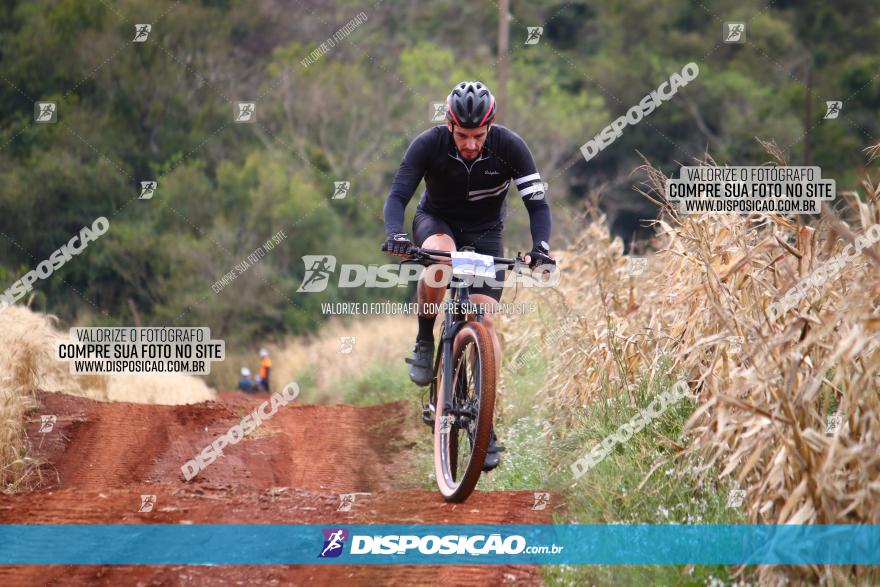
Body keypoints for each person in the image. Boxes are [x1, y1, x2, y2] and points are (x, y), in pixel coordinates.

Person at [382, 81, 555, 471]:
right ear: (449, 125)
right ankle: (426, 337)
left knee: (484, 319)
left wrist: (541, 248)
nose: (471, 145)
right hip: (436, 222)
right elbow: (397, 196)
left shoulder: (511, 148)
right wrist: (395, 234)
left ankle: (484, 422)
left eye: (479, 136)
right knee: (440, 259)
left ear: (490, 128)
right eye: (463, 135)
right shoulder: (428, 144)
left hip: (485, 235)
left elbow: (538, 205)